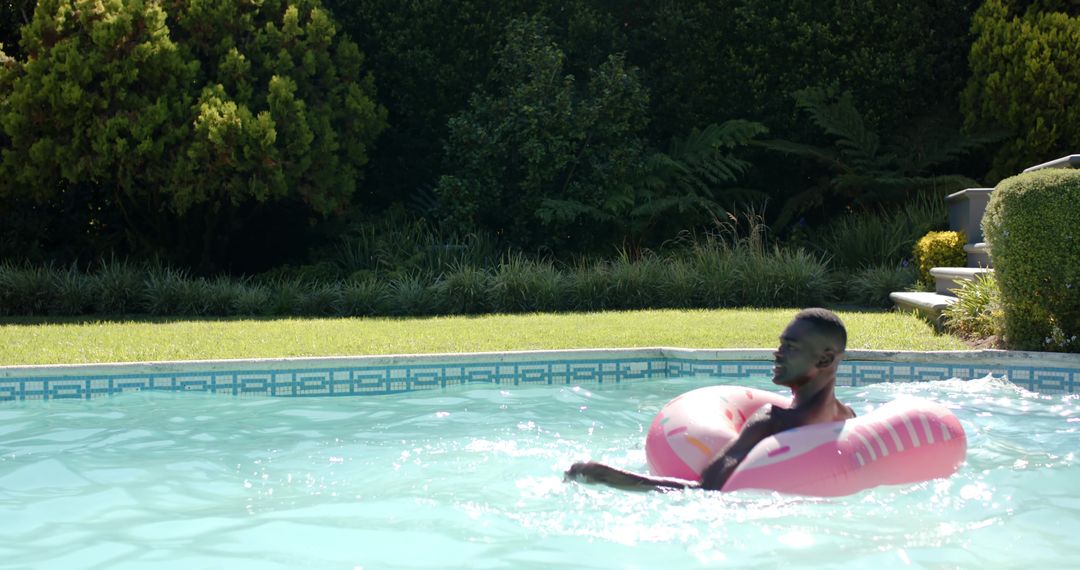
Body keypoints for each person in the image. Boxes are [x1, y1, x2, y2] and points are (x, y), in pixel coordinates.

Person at [564, 307, 856, 491]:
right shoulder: (849, 419)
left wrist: (614, 478)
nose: (776, 353)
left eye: (789, 347)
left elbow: (706, 491)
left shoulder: (771, 422)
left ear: (826, 358)